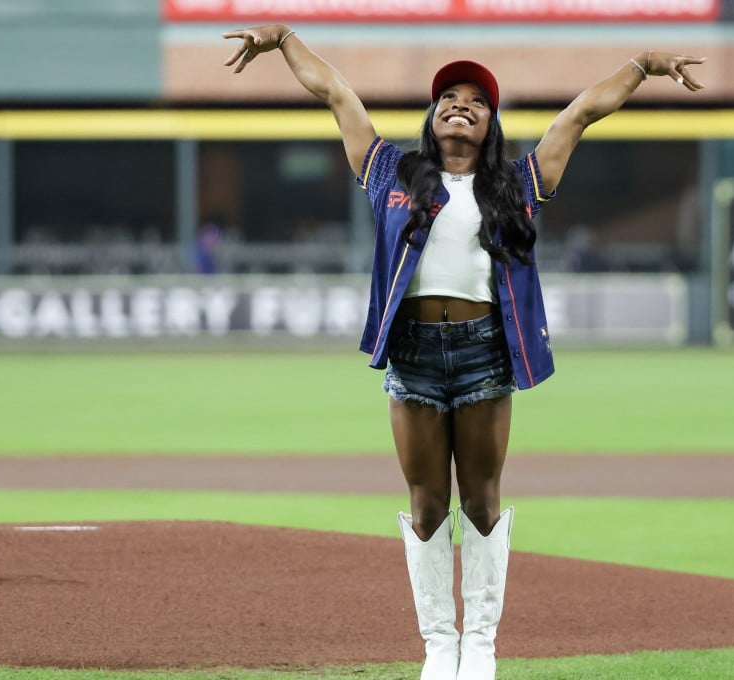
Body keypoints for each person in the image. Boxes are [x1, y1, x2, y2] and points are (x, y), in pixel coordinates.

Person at [222, 26, 704, 680]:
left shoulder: (519, 181)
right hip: (413, 357)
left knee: (480, 500)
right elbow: (334, 91)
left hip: (484, 355)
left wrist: (644, 64)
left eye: (476, 100)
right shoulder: (390, 170)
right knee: (426, 506)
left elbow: (582, 111)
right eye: (448, 95)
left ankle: (480, 647)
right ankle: (437, 648)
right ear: (431, 114)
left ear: (491, 123)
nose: (460, 104)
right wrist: (282, 39)